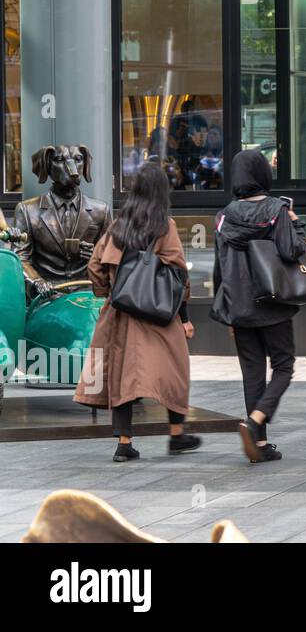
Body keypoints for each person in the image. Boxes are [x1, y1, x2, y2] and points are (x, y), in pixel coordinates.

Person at [74, 163, 199, 463]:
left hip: (120, 316)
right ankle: (176, 433)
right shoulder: (164, 225)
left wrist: (108, 291)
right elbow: (179, 274)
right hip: (158, 315)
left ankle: (124, 443)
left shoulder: (118, 226)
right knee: (174, 370)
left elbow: (95, 266)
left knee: (121, 377)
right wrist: (184, 318)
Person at [212, 149, 306, 463]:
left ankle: (261, 443)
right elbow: (292, 250)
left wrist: (225, 310)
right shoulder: (277, 210)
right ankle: (256, 421)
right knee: (283, 366)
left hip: (239, 306)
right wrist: (297, 223)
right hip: (274, 303)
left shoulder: (224, 215)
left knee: (252, 372)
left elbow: (219, 267)